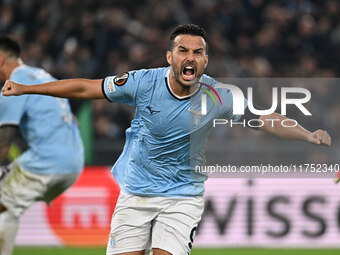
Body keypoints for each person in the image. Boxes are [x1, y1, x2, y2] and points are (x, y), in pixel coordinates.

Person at [2, 24, 331, 255]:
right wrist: (28, 89)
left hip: (182, 196)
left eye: (198, 52)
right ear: (169, 57)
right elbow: (86, 87)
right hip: (137, 191)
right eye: (183, 50)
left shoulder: (218, 96)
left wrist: (306, 133)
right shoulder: (142, 82)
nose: (190, 57)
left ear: (205, 61)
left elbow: (265, 118)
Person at [0, 36, 84, 255]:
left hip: (46, 161)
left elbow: (3, 141)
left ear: (1, 59)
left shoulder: (14, 84)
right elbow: (72, 119)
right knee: (7, 206)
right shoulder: (42, 75)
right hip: (74, 163)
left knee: (3, 208)